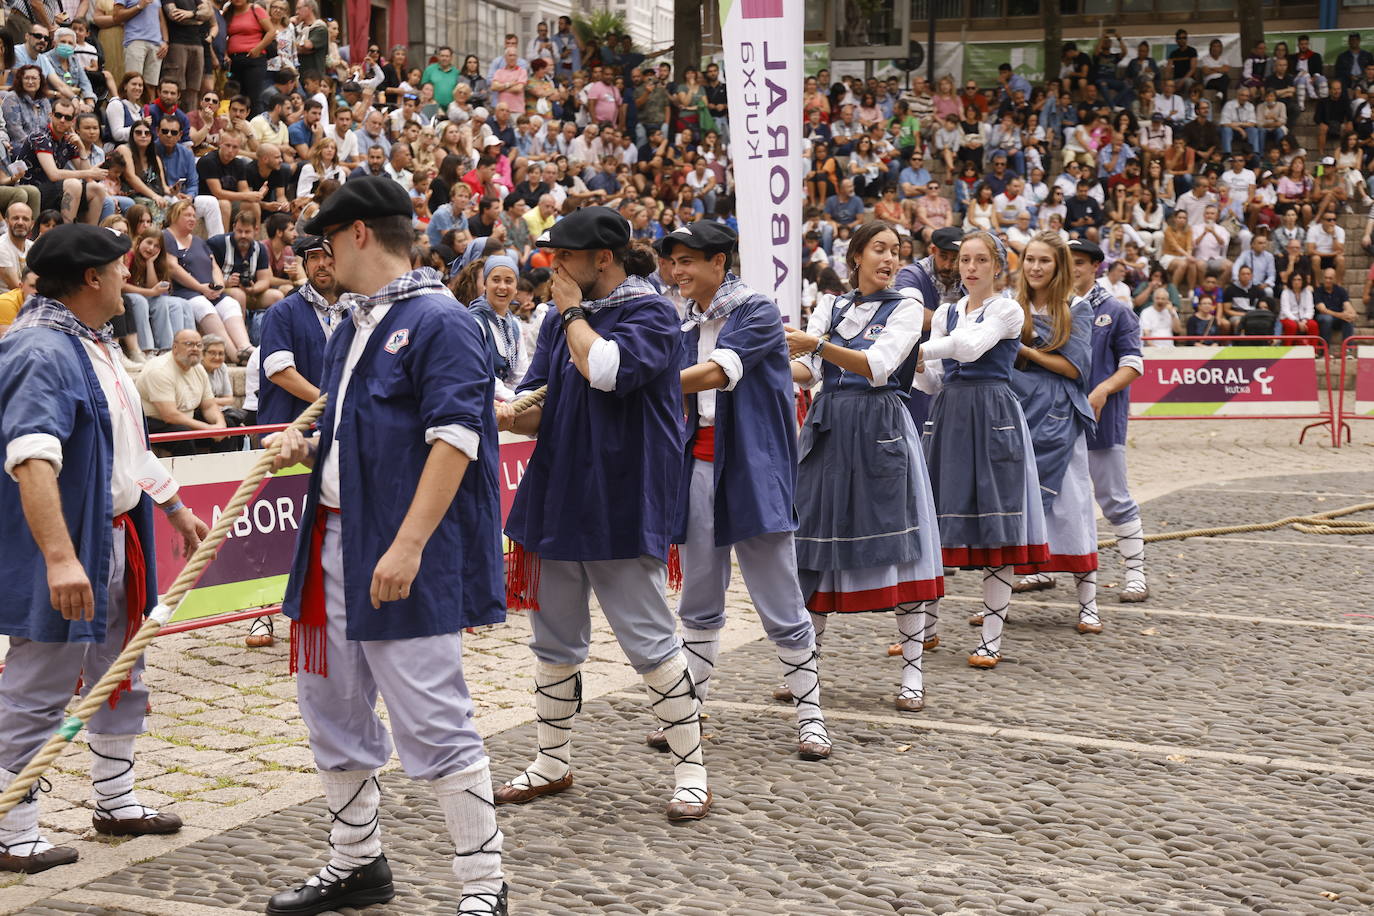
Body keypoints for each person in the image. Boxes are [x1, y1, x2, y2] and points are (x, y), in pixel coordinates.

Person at [266, 177, 508, 915]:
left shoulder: (441, 322)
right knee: (331, 707)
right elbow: (351, 433)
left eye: (328, 241)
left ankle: (483, 886)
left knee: (432, 715)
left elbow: (456, 439)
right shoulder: (351, 324)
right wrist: (302, 447)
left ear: (360, 233)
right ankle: (356, 863)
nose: (322, 256)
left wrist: (406, 547)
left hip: (404, 549)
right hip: (335, 538)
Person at [0, 224, 208, 874]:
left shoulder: (93, 345)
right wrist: (61, 558)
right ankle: (12, 827)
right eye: (120, 270)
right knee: (39, 686)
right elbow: (31, 459)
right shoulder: (41, 350)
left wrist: (172, 505)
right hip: (71, 546)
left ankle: (115, 801)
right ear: (91, 278)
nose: (130, 280)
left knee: (121, 674)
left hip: (115, 539)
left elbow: (128, 447)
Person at [497, 207, 711, 823]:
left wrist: (569, 313)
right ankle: (552, 760)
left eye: (565, 255)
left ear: (603, 259)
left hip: (618, 496)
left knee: (648, 638)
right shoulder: (566, 321)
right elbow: (539, 404)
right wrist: (505, 412)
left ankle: (691, 768)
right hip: (561, 493)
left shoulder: (651, 315)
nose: (554, 266)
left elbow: (607, 373)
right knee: (554, 638)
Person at [657, 221, 829, 755]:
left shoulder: (754, 309)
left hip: (754, 469)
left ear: (719, 263)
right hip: (699, 466)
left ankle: (811, 716)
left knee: (779, 596)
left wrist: (641, 381)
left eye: (689, 260)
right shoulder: (681, 319)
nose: (679, 270)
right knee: (699, 599)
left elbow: (718, 372)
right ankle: (687, 716)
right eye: (674, 260)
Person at [784, 219, 944, 707]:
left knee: (901, 543)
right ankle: (804, 673)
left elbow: (879, 366)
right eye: (879, 249)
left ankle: (912, 675)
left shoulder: (908, 306)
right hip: (829, 427)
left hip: (882, 429)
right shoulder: (830, 306)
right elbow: (807, 372)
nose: (890, 259)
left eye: (896, 251)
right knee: (812, 545)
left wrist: (813, 345)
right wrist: (758, 360)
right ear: (855, 257)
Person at [912, 231, 1048, 669]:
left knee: (998, 521)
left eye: (980, 260)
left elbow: (969, 348)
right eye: (964, 259)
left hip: (994, 414)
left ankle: (991, 636)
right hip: (950, 414)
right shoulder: (946, 313)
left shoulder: (1007, 309)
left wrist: (910, 351)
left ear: (997, 266)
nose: (969, 267)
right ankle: (925, 629)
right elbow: (933, 379)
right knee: (933, 522)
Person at [1005, 233, 1099, 637]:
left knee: (1073, 505)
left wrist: (1025, 352)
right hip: (1021, 410)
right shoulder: (1013, 306)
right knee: (1016, 504)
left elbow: (1074, 368)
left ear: (1058, 266)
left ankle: (1089, 603)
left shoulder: (1076, 307)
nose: (1036, 268)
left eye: (1045, 261)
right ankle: (999, 602)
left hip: (1061, 415)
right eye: (1030, 260)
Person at [466, 254, 528, 402]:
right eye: (496, 280)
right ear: (485, 284)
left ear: (515, 288)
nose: (502, 286)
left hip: (511, 404)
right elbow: (477, 372)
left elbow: (521, 373)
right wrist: (514, 399)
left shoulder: (514, 325)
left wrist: (525, 397)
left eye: (508, 281)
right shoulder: (475, 323)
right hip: (480, 401)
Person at [1313, 267, 1357, 345]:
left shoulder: (1341, 290)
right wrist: (1341, 315)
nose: (1327, 280)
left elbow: (1347, 305)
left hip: (1337, 318)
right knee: (1327, 318)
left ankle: (1348, 351)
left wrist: (1352, 314)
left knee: (1348, 320)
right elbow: (1323, 310)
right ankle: (1324, 350)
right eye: (1326, 278)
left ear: (1335, 279)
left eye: (1330, 278)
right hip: (1322, 318)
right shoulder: (1318, 291)